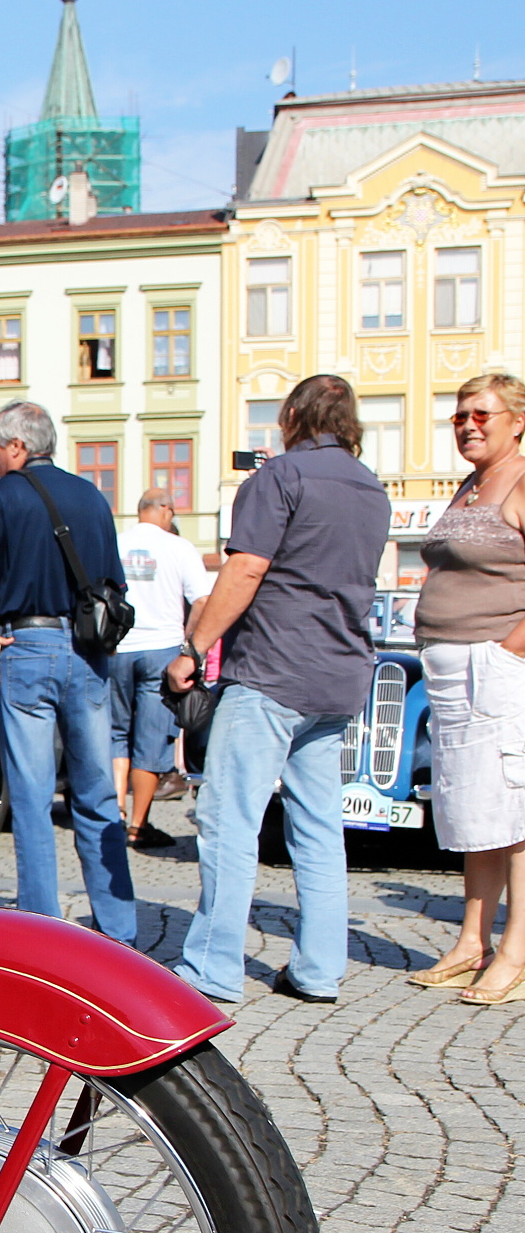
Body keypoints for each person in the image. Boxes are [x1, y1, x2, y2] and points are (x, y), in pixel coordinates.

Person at [166, 374, 391, 1004]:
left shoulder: (281, 476)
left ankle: (212, 968)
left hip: (273, 668)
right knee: (318, 827)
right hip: (339, 673)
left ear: (292, 416)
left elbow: (245, 569)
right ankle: (319, 971)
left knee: (228, 818)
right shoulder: (372, 488)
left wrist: (194, 648)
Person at [0, 400, 136, 943]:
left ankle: (42, 928)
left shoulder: (2, 496)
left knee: (32, 796)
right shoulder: (92, 496)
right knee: (97, 791)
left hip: (28, 645)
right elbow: (115, 585)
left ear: (17, 446)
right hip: (88, 652)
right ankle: (119, 930)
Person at [407, 373, 525, 1006]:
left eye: (482, 414)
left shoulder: (521, 479)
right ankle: (471, 942)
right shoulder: (471, 484)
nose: (468, 425)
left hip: (496, 666)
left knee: (515, 811)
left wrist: (509, 650)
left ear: (518, 422)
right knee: (475, 811)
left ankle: (516, 952)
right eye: (459, 416)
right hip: (455, 670)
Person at [112, 488, 211, 849]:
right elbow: (202, 600)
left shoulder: (116, 543)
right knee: (152, 739)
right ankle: (138, 826)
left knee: (115, 733)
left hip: (118, 648)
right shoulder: (179, 547)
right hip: (162, 649)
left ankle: (114, 816)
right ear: (166, 510)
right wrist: (188, 641)